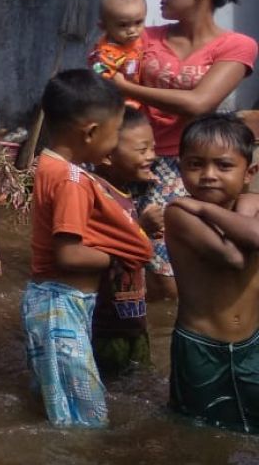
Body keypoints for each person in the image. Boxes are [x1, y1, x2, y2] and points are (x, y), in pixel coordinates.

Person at [114, 0, 256, 300]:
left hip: (185, 164)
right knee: (118, 252)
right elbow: (103, 69)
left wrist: (126, 87)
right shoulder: (144, 37)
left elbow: (200, 103)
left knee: (168, 272)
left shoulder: (237, 45)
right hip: (127, 159)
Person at [22, 70, 152, 428]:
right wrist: (117, 257)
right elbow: (69, 254)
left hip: (44, 301)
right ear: (91, 132)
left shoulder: (47, 163)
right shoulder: (72, 180)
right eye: (113, 136)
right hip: (63, 305)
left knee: (53, 401)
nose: (113, 146)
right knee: (85, 416)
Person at [165, 114, 259, 433]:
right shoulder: (179, 213)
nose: (208, 175)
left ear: (249, 173)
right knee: (199, 431)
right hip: (200, 347)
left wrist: (206, 208)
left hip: (252, 344)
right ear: (180, 169)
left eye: (223, 166)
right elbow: (233, 258)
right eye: (195, 165)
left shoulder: (246, 207)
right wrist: (238, 214)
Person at [89, 107, 160, 377]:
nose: (151, 157)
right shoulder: (97, 194)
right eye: (142, 150)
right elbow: (97, 248)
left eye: (153, 148)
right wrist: (140, 228)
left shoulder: (125, 192)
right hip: (106, 326)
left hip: (133, 319)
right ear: (107, 155)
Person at [88, 0, 146, 89]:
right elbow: (102, 80)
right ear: (103, 27)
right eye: (123, 25)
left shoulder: (142, 40)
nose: (132, 30)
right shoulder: (102, 55)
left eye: (138, 22)